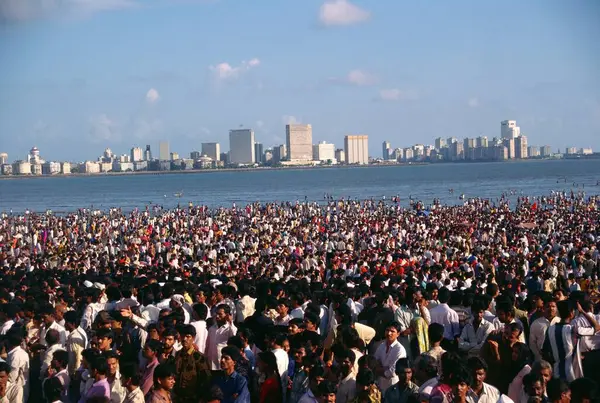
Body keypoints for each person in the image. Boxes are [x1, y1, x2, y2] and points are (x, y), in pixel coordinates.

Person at [174, 324, 212, 403]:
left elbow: (205, 379)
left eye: (188, 336)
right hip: (178, 397)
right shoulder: (177, 355)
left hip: (192, 398)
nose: (184, 339)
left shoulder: (198, 357)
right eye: (182, 336)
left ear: (193, 338)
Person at [373, 322, 406, 392]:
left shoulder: (400, 349)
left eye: (392, 331)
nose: (389, 333)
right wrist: (385, 368)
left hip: (392, 387)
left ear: (398, 334)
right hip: (380, 385)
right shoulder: (382, 345)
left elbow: (392, 372)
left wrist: (379, 369)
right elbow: (373, 362)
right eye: (387, 330)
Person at [207, 305, 238, 370]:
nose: (217, 316)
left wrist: (230, 322)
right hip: (210, 362)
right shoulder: (212, 328)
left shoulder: (230, 328)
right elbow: (208, 345)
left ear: (226, 315)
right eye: (216, 314)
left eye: (220, 314)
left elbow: (234, 337)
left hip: (222, 363)